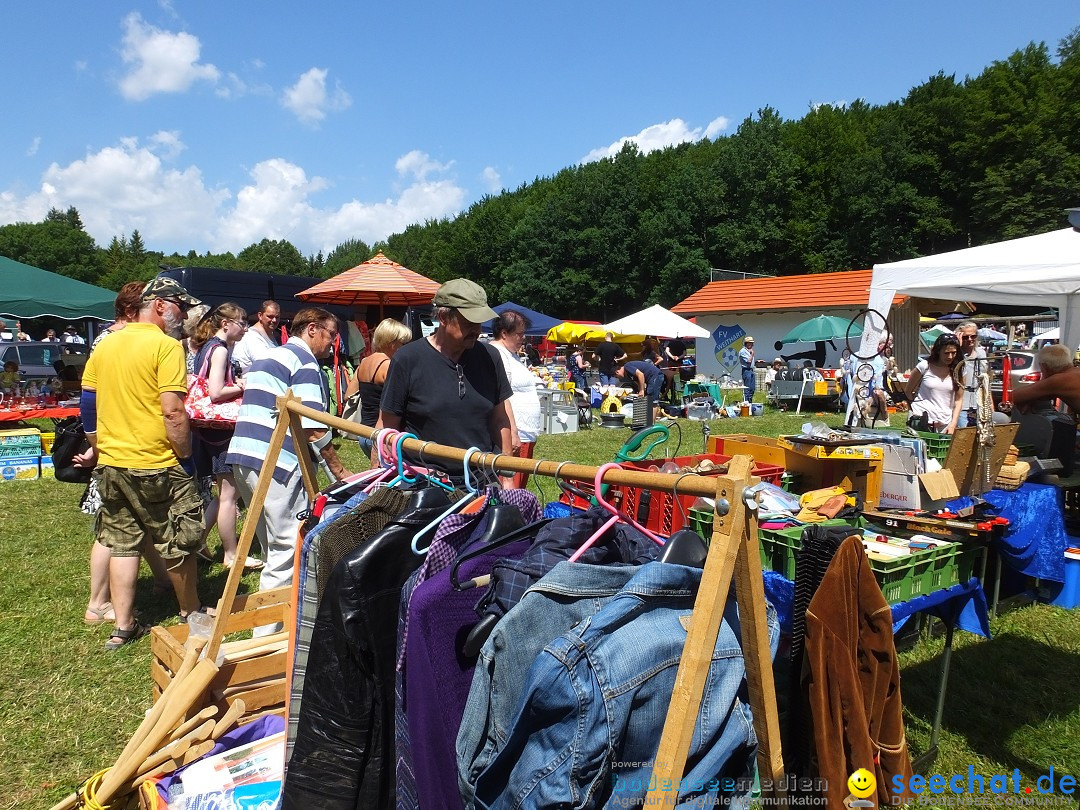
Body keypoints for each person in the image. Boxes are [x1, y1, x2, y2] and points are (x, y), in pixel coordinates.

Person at [76, 277, 211, 649]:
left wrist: (98, 449)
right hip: (157, 462)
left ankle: (123, 626)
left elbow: (88, 404)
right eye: (180, 308)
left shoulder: (105, 345)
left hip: (113, 464)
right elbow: (173, 411)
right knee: (180, 540)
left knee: (122, 543)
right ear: (161, 305)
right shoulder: (165, 347)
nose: (182, 316)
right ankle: (191, 611)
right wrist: (185, 457)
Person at [227, 307, 350, 632]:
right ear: (312, 329)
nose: (332, 344)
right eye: (330, 335)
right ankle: (268, 638)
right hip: (277, 463)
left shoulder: (268, 356)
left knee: (272, 550)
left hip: (243, 457)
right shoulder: (305, 362)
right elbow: (313, 427)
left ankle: (277, 621)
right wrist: (340, 473)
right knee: (286, 549)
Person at [80, 281, 173, 627]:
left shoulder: (110, 339)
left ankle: (161, 582)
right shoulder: (115, 340)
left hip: (115, 449)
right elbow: (91, 402)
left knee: (129, 525)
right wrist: (97, 445)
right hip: (125, 450)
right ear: (135, 310)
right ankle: (97, 602)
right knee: (112, 531)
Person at [375, 278, 512, 480]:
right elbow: (387, 427)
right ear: (443, 317)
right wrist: (380, 474)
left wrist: (507, 477)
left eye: (479, 322)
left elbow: (500, 420)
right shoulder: (407, 359)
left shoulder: (490, 357)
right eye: (469, 323)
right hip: (424, 482)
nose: (477, 330)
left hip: (481, 480)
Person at [190, 303, 262, 571]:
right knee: (229, 495)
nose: (244, 327)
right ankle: (231, 554)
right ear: (225, 324)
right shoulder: (219, 350)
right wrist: (241, 385)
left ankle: (199, 540)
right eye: (241, 322)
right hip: (220, 431)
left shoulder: (207, 347)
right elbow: (216, 392)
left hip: (208, 429)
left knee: (224, 494)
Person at [490, 310, 542, 489]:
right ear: (504, 333)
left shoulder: (510, 354)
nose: (523, 338)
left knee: (519, 488)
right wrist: (513, 433)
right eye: (519, 333)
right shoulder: (498, 355)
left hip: (525, 433)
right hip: (515, 434)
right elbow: (503, 398)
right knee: (512, 488)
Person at [342, 317, 411, 448]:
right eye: (404, 343)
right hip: (383, 437)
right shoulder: (389, 366)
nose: (407, 347)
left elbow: (348, 396)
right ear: (392, 342)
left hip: (364, 434)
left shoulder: (364, 362)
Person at [904, 333, 963, 434]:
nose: (950, 356)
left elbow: (958, 400)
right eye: (946, 353)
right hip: (920, 419)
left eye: (953, 353)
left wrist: (953, 424)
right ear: (938, 351)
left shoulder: (958, 369)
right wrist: (915, 410)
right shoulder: (924, 366)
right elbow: (908, 391)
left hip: (945, 422)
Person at [1012, 343, 1080, 415]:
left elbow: (1013, 397)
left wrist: (1044, 378)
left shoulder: (1059, 380)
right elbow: (1046, 395)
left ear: (1044, 367)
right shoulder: (1075, 372)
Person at [953, 321, 988, 428]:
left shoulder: (981, 353)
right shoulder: (955, 355)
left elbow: (986, 379)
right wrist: (956, 345)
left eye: (973, 336)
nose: (970, 339)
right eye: (965, 337)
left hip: (980, 403)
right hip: (962, 404)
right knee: (963, 436)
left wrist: (989, 403)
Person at [232, 299, 281, 373]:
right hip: (248, 382)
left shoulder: (271, 335)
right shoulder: (252, 336)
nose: (274, 320)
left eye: (277, 317)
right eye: (270, 316)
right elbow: (266, 365)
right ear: (260, 316)